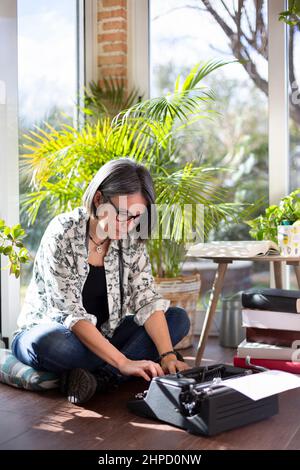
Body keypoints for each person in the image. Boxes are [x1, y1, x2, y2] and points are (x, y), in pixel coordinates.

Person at [12, 158, 191, 404]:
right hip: (54, 332)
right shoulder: (63, 232)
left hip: (104, 334)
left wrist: (168, 354)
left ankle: (100, 378)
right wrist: (123, 360)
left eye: (136, 217)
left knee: (177, 318)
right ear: (99, 200)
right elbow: (70, 314)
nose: (129, 225)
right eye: (122, 215)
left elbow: (146, 298)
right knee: (54, 345)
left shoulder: (131, 238)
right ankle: (117, 369)